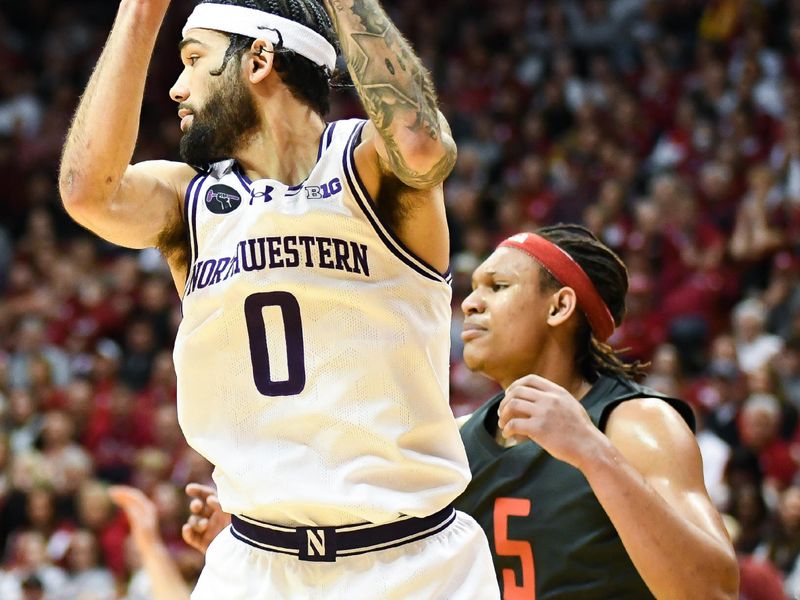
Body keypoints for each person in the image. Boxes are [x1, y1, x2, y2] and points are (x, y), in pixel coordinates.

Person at [59, 0, 498, 598]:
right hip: (254, 564)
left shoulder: (367, 165)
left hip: (411, 563)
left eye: (194, 60)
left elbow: (423, 143)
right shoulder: (191, 199)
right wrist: (139, 13)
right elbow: (88, 193)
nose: (176, 88)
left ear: (259, 58)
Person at [180, 224, 740, 598]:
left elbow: (712, 589)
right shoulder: (452, 441)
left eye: (497, 286)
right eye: (472, 288)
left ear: (560, 305)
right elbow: (372, 567)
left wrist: (592, 453)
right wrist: (254, 540)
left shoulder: (634, 423)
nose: (470, 302)